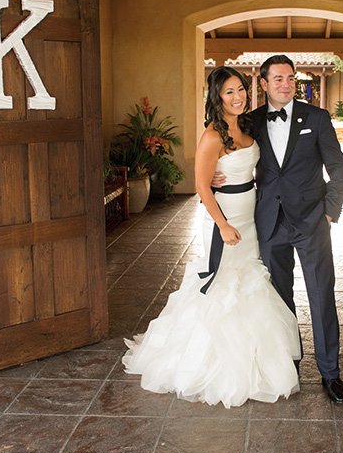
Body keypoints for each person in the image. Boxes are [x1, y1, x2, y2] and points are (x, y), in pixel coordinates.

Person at [122, 67, 300, 408]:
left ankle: (257, 358)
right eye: (230, 92)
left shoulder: (248, 125)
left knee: (250, 280)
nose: (238, 97)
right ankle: (217, 365)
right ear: (217, 97)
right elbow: (203, 186)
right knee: (224, 284)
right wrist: (223, 225)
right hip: (227, 218)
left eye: (241, 90)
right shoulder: (212, 136)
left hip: (250, 213)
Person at [219, 54, 343, 403]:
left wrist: (330, 213)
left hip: (311, 222)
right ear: (263, 84)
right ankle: (287, 364)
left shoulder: (317, 119)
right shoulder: (251, 122)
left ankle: (330, 373)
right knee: (278, 298)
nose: (286, 84)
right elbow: (225, 148)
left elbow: (338, 169)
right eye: (277, 79)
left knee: (321, 295)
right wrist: (217, 175)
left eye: (290, 78)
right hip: (269, 223)